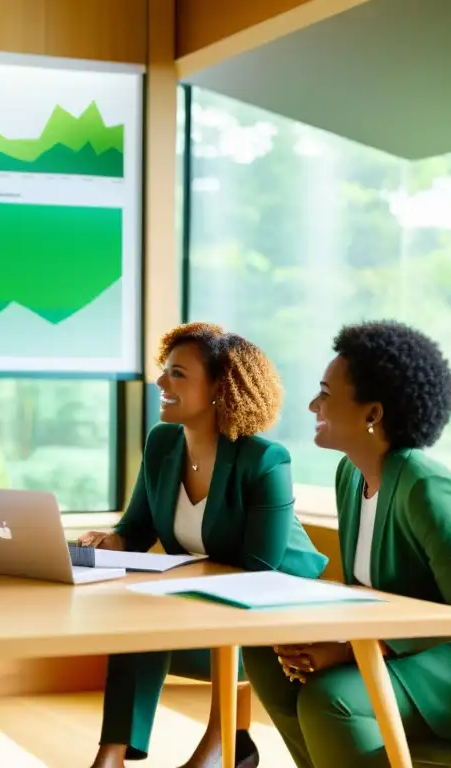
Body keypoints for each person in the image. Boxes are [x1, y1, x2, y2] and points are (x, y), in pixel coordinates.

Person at [242, 320, 451, 768]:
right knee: (267, 658)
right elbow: (373, 596)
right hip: (401, 653)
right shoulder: (351, 475)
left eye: (325, 393)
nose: (312, 404)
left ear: (372, 414)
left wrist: (350, 650)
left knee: (331, 698)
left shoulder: (427, 488)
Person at [78, 322, 328, 768]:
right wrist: (107, 542)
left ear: (220, 387)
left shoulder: (264, 460)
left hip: (278, 608)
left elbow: (259, 569)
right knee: (141, 618)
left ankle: (226, 741)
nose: (160, 382)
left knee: (158, 611)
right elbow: (136, 528)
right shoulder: (162, 443)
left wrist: (173, 583)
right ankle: (111, 755)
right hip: (200, 597)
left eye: (178, 374)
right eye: (164, 370)